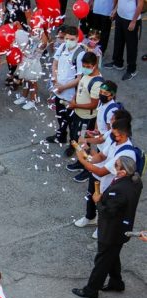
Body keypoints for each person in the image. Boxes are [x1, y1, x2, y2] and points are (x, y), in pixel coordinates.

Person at [72, 156, 143, 298]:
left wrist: (97, 201)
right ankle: (116, 283)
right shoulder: (136, 182)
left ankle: (91, 290)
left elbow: (108, 212)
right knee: (112, 255)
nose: (113, 167)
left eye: (116, 165)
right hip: (122, 229)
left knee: (102, 260)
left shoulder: (120, 190)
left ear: (123, 172)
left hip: (112, 231)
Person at [73, 116, 136, 237]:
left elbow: (102, 171)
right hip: (99, 177)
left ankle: (102, 228)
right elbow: (101, 156)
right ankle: (90, 217)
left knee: (104, 207)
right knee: (91, 197)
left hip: (110, 185)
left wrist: (82, 160)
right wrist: (88, 156)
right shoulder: (115, 141)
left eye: (114, 133)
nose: (110, 134)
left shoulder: (126, 153)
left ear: (123, 135)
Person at [45, 26, 85, 146]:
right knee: (60, 116)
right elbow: (55, 64)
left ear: (77, 39)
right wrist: (54, 79)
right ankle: (61, 136)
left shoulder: (80, 54)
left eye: (71, 39)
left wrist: (64, 87)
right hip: (59, 90)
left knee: (72, 122)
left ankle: (73, 145)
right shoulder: (62, 47)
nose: (68, 41)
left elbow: (79, 78)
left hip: (70, 95)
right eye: (67, 38)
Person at [67, 51, 103, 180]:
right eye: (84, 66)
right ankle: (80, 162)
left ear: (95, 65)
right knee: (78, 141)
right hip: (78, 114)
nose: (85, 68)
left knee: (84, 143)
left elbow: (93, 104)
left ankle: (88, 168)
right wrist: (74, 99)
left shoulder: (97, 83)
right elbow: (80, 89)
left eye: (88, 66)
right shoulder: (85, 74)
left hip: (86, 119)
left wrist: (75, 105)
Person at [104, 0, 142, 81]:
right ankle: (118, 63)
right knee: (118, 40)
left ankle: (132, 69)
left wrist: (134, 21)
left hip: (130, 19)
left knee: (131, 45)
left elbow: (140, 5)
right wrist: (115, 10)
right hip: (120, 16)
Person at [14, 27, 48, 111]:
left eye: (36, 32)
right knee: (25, 80)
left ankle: (32, 100)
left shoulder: (41, 43)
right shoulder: (29, 38)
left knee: (33, 82)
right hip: (25, 61)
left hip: (34, 64)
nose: (33, 32)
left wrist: (42, 31)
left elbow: (44, 42)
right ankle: (24, 97)